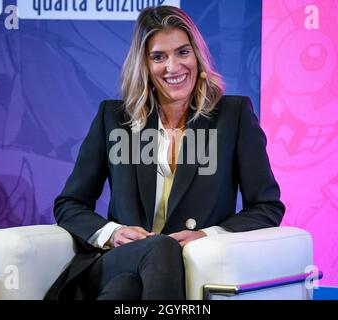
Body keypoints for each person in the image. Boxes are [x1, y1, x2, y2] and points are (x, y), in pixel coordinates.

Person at [45, 6, 285, 300]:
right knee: (154, 250)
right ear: (144, 65)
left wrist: (207, 236)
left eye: (182, 52)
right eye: (159, 57)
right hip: (115, 261)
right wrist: (111, 233)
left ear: (196, 55)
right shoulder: (113, 118)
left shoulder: (232, 116)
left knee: (126, 290)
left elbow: (267, 207)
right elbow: (69, 203)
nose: (173, 67)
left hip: (183, 269)